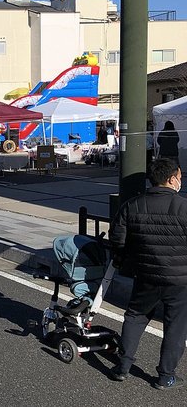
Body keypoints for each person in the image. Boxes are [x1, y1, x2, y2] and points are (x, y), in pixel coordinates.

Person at [109, 158, 187, 389]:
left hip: (146, 276)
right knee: (176, 326)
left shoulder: (132, 206)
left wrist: (126, 261)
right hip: (180, 280)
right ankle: (165, 376)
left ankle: (122, 366)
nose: (181, 182)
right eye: (180, 177)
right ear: (172, 179)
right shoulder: (184, 207)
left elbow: (118, 240)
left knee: (135, 316)